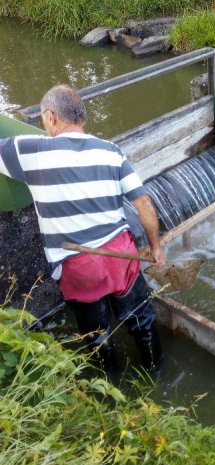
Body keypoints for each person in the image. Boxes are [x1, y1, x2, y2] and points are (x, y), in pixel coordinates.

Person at [0, 84, 166, 372]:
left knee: (97, 333)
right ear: (81, 118)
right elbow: (144, 204)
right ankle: (157, 373)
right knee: (143, 319)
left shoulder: (30, 149)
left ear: (51, 118)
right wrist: (155, 248)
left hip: (79, 263)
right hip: (121, 255)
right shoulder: (111, 151)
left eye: (43, 120)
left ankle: (110, 389)